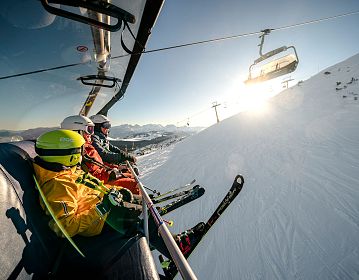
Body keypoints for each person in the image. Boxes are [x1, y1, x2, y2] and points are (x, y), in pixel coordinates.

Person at [32, 129, 204, 277]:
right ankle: (177, 248)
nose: (81, 153)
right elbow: (65, 226)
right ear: (66, 153)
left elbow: (91, 186)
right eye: (78, 150)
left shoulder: (64, 170)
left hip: (101, 207)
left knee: (142, 205)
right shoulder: (57, 185)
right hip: (96, 222)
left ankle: (161, 239)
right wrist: (104, 206)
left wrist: (111, 191)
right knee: (142, 215)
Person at [60, 115, 140, 194]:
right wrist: (111, 174)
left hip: (102, 177)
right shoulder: (77, 152)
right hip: (97, 185)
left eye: (92, 129)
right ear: (76, 132)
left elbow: (98, 163)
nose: (91, 134)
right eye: (89, 130)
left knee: (130, 175)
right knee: (133, 183)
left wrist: (116, 167)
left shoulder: (88, 146)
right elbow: (87, 175)